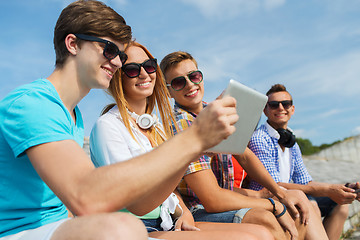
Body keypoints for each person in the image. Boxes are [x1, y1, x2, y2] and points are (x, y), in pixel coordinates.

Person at [0, 1, 244, 239]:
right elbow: (86, 196)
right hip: (18, 232)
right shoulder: (33, 103)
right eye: (109, 50)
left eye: (119, 54)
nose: (117, 61)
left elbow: (141, 204)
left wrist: (195, 147)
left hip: (59, 227)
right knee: (122, 228)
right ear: (73, 44)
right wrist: (194, 138)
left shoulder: (73, 116)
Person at [89, 41, 273, 240]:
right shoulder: (107, 126)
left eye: (149, 66)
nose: (144, 74)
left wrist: (183, 210)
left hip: (167, 221)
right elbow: (137, 203)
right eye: (132, 70)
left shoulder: (156, 127)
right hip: (135, 227)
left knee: (262, 233)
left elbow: (169, 188)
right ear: (117, 76)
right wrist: (193, 148)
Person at [160, 51, 330, 240]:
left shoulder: (214, 110)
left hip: (226, 198)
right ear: (168, 90)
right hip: (196, 210)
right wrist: (274, 203)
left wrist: (279, 193)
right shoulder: (180, 124)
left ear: (201, 77)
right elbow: (211, 200)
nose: (190, 84)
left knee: (297, 205)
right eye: (178, 82)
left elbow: (244, 154)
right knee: (268, 218)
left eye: (194, 76)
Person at [248, 83, 357, 240]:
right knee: (310, 203)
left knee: (339, 205)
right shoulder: (260, 138)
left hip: (288, 196)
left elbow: (306, 182)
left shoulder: (291, 141)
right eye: (273, 104)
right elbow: (274, 184)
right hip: (269, 197)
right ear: (265, 110)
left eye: (285, 104)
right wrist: (327, 189)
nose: (280, 108)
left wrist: (343, 189)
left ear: (292, 109)